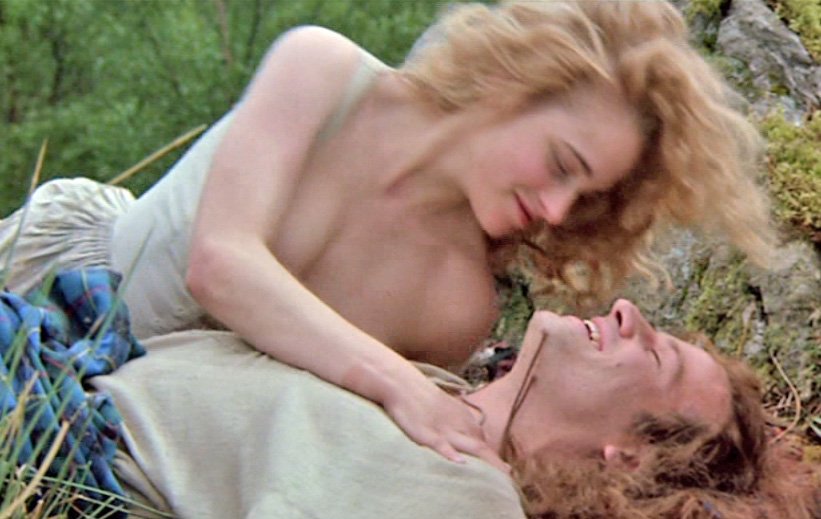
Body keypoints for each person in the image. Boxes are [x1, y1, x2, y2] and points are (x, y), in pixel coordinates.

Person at [0, 0, 776, 466]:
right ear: (516, 84)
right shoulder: (324, 71)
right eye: (559, 164)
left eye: (584, 195)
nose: (554, 207)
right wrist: (398, 382)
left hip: (122, 421)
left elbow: (300, 419)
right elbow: (221, 263)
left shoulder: (458, 305)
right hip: (45, 279)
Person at [89, 300, 819, 519]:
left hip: (67, 450)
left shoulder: (465, 497)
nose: (628, 310)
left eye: (655, 355)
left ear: (629, 458)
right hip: (79, 361)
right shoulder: (427, 380)